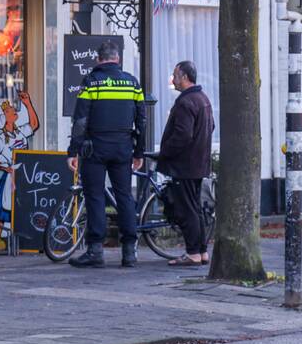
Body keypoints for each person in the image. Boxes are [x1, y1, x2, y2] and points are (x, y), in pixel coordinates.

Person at [67, 42, 146, 268]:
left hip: (95, 149)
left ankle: (95, 251)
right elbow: (141, 121)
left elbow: (80, 120)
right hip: (123, 148)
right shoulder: (132, 83)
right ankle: (129, 252)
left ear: (99, 59)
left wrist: (73, 151)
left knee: (95, 197)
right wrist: (138, 151)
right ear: (117, 59)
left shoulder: (91, 82)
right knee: (124, 197)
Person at [157, 61, 215, 266]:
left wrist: (165, 152)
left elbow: (182, 135)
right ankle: (202, 251)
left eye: (175, 75)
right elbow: (211, 127)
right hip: (199, 164)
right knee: (196, 208)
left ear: (184, 77)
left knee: (187, 209)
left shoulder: (185, 102)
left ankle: (192, 253)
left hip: (185, 166)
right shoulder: (203, 99)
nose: (172, 80)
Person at [0, 92, 39, 251]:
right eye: (9, 110)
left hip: (24, 176)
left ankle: (23, 238)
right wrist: (6, 168)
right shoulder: (0, 140)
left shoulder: (20, 132)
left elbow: (34, 124)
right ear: (4, 118)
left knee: (22, 207)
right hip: (10, 177)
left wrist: (28, 103)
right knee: (1, 210)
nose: (14, 110)